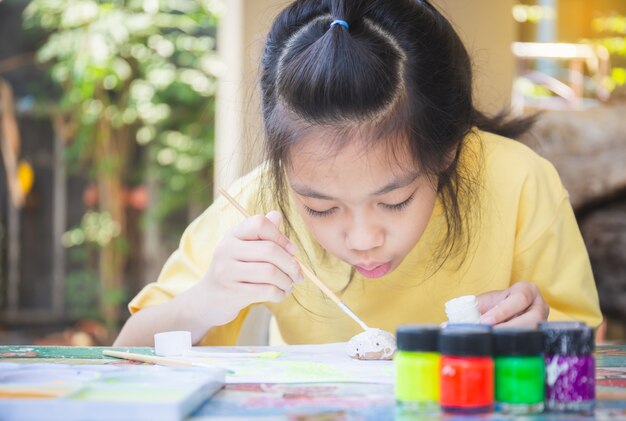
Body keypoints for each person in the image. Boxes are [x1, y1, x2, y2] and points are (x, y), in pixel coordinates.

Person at [114, 0, 601, 347]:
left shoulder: (516, 180)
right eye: (320, 207)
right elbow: (126, 351)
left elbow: (589, 344)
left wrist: (536, 333)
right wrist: (205, 301)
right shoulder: (262, 203)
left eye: (394, 202)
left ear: (447, 150)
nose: (363, 238)